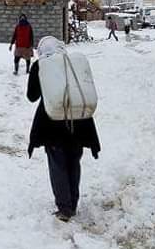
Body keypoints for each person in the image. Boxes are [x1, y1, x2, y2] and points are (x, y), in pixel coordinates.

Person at [27, 37, 101, 221]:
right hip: (80, 123)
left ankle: (64, 207)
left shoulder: (41, 65)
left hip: (53, 124)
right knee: (73, 162)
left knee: (57, 164)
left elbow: (32, 96)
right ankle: (72, 203)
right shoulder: (71, 63)